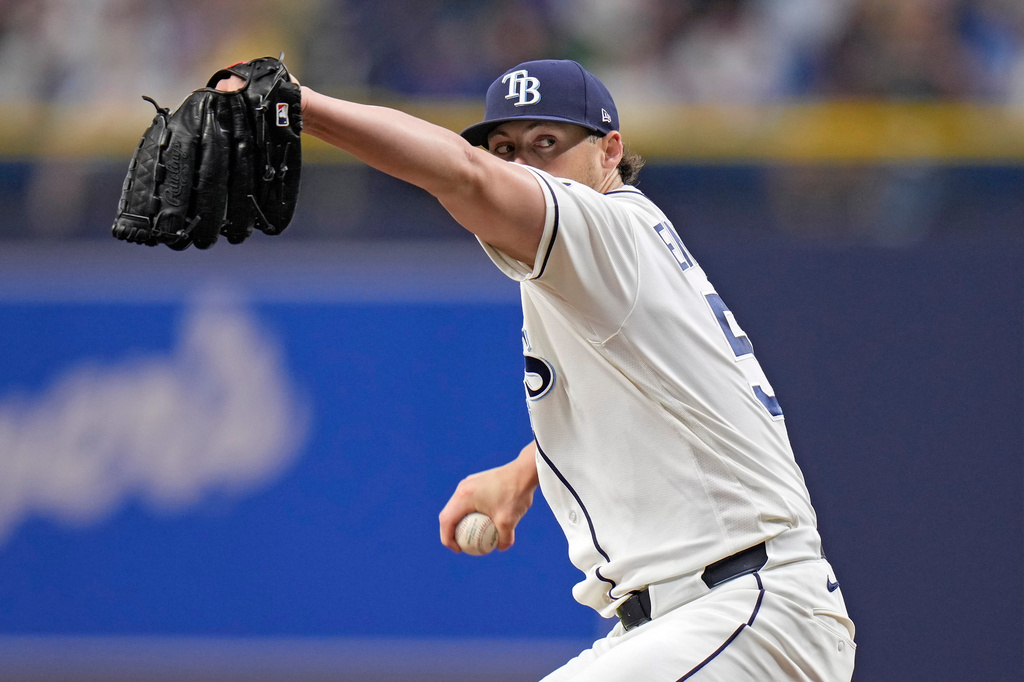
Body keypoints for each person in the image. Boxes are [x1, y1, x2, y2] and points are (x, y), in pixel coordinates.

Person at [233, 58, 856, 680]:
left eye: (547, 144)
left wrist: (301, 107)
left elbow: (465, 174)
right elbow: (660, 400)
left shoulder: (603, 228)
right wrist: (523, 471)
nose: (523, 165)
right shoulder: (611, 255)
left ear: (609, 152)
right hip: (705, 619)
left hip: (742, 613)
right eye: (506, 148)